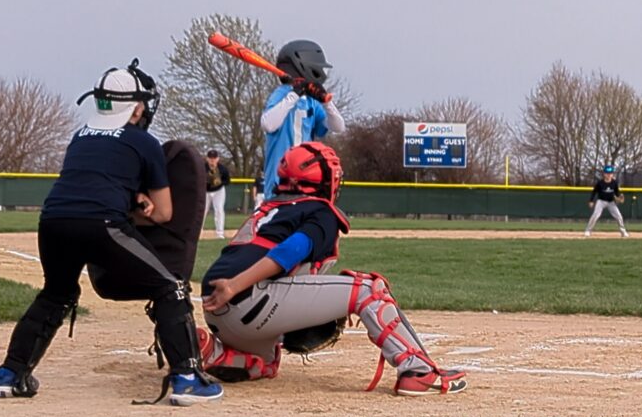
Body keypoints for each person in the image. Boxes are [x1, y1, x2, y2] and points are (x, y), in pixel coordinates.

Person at [0, 60, 223, 406]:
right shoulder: (142, 142)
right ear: (135, 108)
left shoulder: (80, 136)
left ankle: (11, 373)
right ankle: (188, 379)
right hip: (101, 224)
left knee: (56, 293)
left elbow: (90, 183)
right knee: (170, 287)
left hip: (52, 221)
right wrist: (138, 205)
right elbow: (164, 213)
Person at [199, 142, 466, 396]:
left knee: (264, 363)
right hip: (249, 296)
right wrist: (236, 286)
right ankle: (418, 373)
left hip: (217, 311)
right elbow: (290, 252)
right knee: (369, 289)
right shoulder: (320, 210)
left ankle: (214, 353)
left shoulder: (269, 209)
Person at [260, 40, 345, 200]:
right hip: (279, 182)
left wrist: (326, 102)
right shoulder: (282, 94)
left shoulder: (312, 101)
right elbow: (268, 124)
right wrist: (294, 95)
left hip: (305, 180)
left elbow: (338, 126)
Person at [584, 165, 629, 237]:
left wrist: (619, 198)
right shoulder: (600, 183)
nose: (608, 175)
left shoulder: (614, 183)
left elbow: (617, 193)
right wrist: (591, 201)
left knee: (619, 216)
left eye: (610, 173)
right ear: (604, 174)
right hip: (601, 201)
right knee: (595, 215)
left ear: (612, 174)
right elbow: (594, 192)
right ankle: (588, 230)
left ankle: (623, 232)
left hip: (611, 202)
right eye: (607, 173)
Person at [203, 149, 231, 239]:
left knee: (219, 210)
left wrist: (220, 182)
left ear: (218, 159)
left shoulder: (222, 169)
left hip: (219, 191)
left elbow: (227, 181)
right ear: (207, 159)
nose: (212, 160)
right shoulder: (202, 168)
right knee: (202, 211)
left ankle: (220, 233)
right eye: (210, 158)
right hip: (205, 191)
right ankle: (198, 232)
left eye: (214, 158)